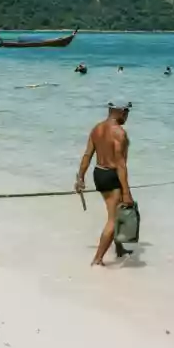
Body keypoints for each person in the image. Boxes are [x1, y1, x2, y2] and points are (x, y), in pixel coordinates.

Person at [75, 100, 134, 266]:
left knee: (119, 211)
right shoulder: (119, 133)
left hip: (99, 173)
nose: (128, 116)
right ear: (121, 112)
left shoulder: (97, 128)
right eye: (127, 112)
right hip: (112, 175)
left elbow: (87, 155)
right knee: (114, 219)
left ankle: (120, 248)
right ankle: (98, 259)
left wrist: (80, 178)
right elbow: (121, 164)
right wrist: (126, 192)